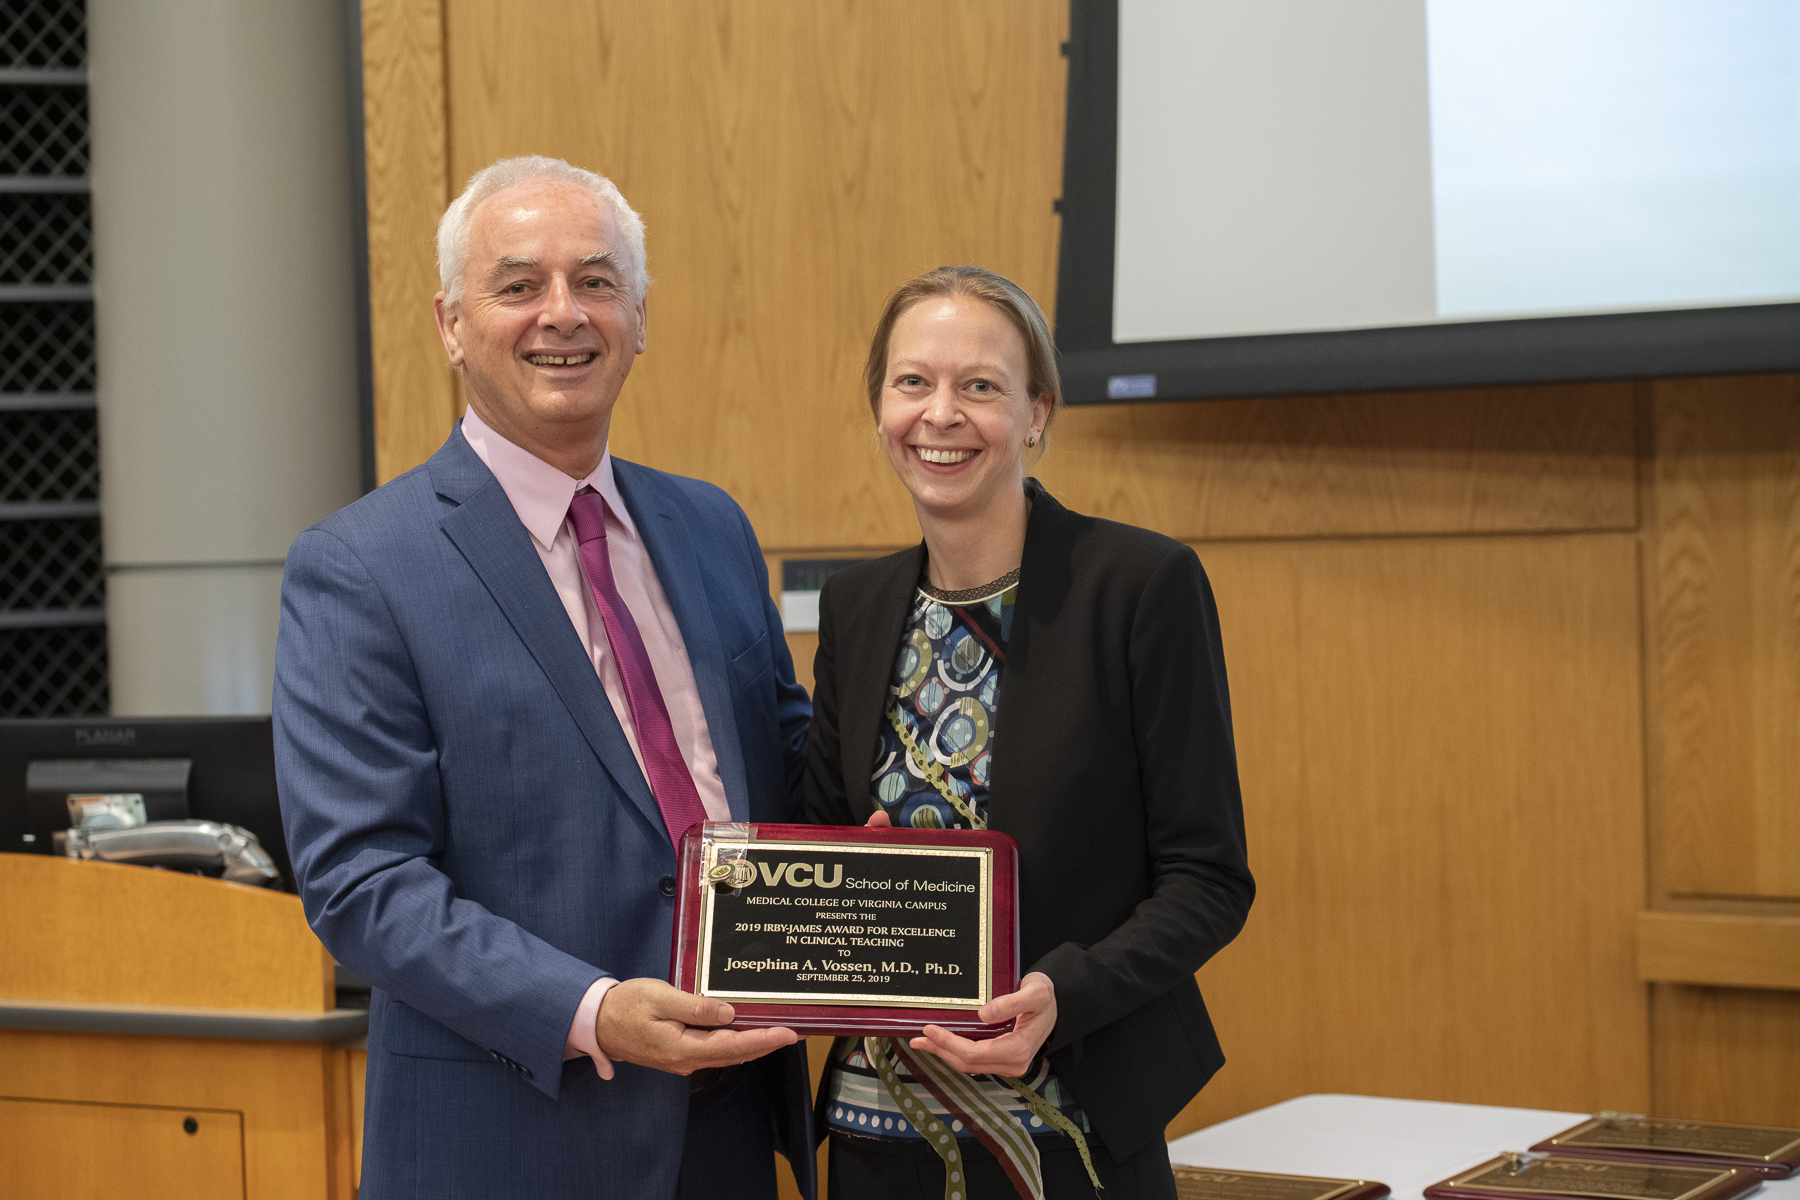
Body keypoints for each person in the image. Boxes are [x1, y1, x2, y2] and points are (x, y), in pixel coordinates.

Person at [273, 156, 814, 1199]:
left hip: (730, 1131)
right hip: (516, 1138)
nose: (561, 314)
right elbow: (361, 882)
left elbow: (778, 768)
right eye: (518, 285)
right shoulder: (360, 567)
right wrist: (593, 1009)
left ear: (640, 316)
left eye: (596, 282)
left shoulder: (712, 526)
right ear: (450, 324)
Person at [803, 266, 1254, 1199]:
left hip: (1069, 1131)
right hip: (874, 1131)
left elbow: (1208, 880)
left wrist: (1064, 995)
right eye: (913, 382)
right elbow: (819, 839)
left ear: (1038, 412)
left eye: (980, 386)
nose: (941, 414)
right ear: (880, 406)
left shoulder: (1140, 587)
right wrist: (841, 872)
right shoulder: (856, 605)